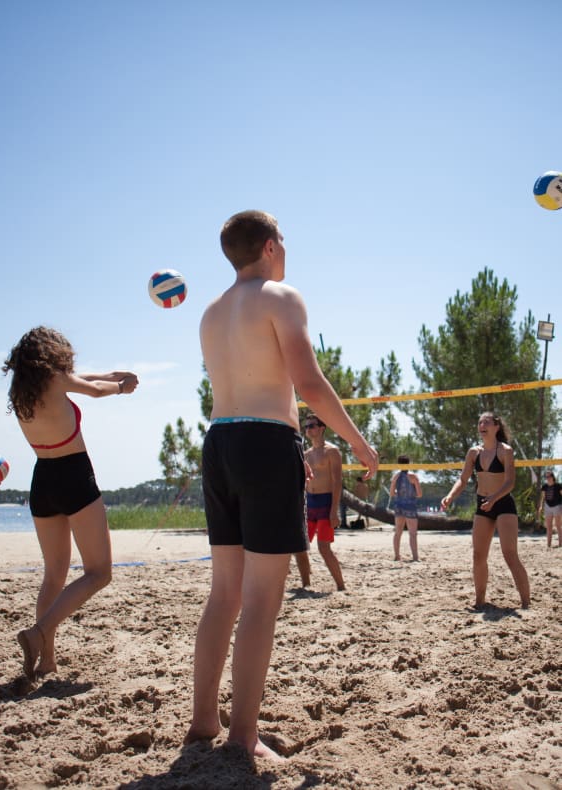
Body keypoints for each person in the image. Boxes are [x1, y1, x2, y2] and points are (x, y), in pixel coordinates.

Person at [186, 210, 378, 761]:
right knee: (261, 600)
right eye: (284, 240)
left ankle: (204, 721)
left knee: (223, 595)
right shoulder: (281, 296)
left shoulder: (211, 311)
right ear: (270, 246)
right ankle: (243, 737)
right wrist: (357, 441)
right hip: (266, 443)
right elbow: (308, 382)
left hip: (218, 442)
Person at [2, 327, 138, 681]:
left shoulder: (24, 390)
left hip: (42, 479)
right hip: (74, 476)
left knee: (54, 575)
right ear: (52, 353)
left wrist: (113, 373)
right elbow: (91, 389)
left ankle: (46, 660)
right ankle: (38, 633)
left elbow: (84, 379)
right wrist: (121, 388)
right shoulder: (59, 380)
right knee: (99, 572)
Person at [441, 411, 530, 609]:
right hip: (483, 504)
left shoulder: (505, 450)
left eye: (486, 422)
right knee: (478, 555)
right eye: (480, 421)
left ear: (496, 426)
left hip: (503, 504)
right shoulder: (474, 452)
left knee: (510, 554)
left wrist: (494, 498)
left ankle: (526, 603)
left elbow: (509, 483)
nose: (482, 425)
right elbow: (463, 479)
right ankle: (479, 601)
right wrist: (450, 496)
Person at [293, 414, 345, 590]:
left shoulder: (332, 451)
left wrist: (334, 510)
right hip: (310, 504)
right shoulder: (305, 454)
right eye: (306, 426)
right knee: (299, 547)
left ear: (322, 428)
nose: (308, 429)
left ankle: (341, 586)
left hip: (325, 503)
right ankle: (306, 584)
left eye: (312, 425)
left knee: (324, 548)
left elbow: (337, 482)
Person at [389, 455, 422, 561]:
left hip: (399, 505)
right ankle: (415, 557)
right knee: (412, 533)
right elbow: (419, 494)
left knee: (398, 532)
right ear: (409, 463)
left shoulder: (396, 476)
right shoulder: (413, 476)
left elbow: (391, 493)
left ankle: (397, 556)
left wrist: (400, 493)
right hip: (410, 506)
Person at [538, 471, 562, 549]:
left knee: (558, 526)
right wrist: (541, 506)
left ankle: (560, 544)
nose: (547, 478)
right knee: (549, 527)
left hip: (557, 506)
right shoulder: (544, 486)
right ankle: (548, 545)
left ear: (552, 477)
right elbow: (543, 497)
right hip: (547, 506)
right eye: (546, 477)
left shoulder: (558, 486)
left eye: (549, 476)